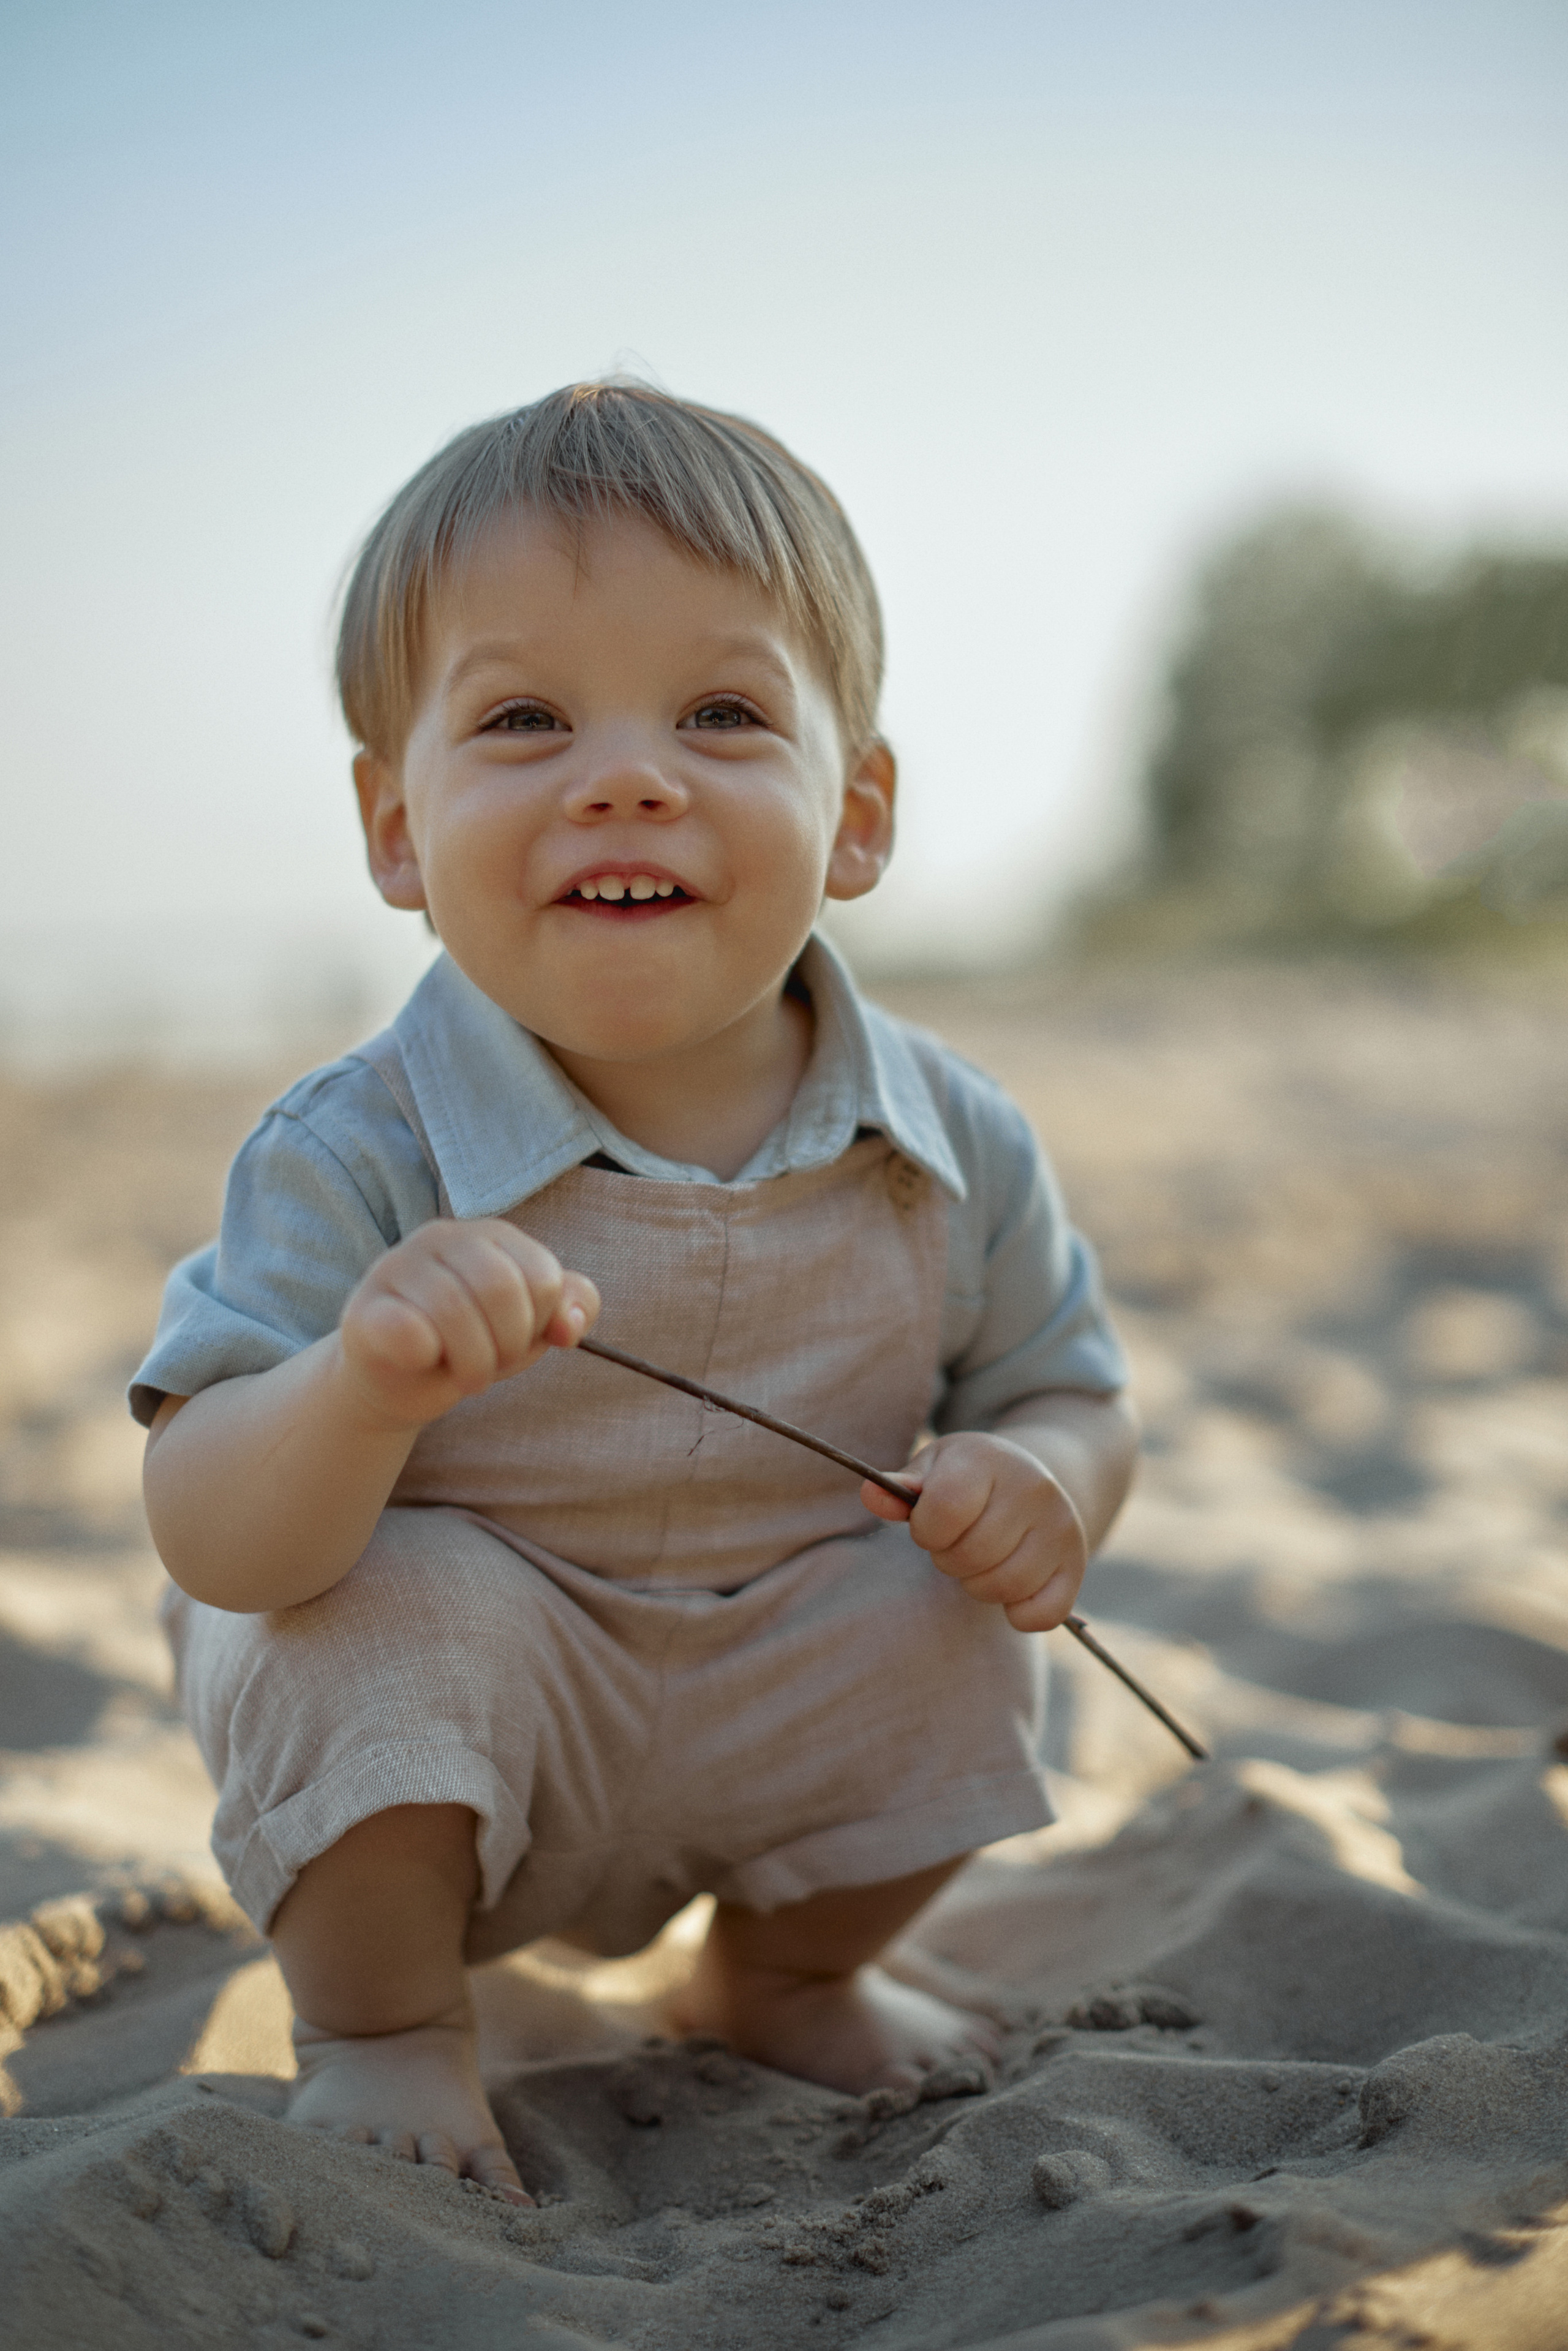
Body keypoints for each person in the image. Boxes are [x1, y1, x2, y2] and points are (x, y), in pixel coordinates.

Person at [132, 383, 1137, 2206]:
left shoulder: (949, 1141)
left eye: (724, 714)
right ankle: (386, 2031)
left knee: (947, 1616)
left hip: (772, 1681)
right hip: (466, 1719)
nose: (627, 774)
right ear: (393, 828)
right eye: (524, 718)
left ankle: (788, 1971)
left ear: (859, 812)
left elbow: (1069, 1387)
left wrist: (1047, 1482)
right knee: (381, 1611)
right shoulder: (356, 1152)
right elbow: (215, 1538)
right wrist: (355, 1392)